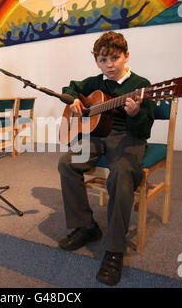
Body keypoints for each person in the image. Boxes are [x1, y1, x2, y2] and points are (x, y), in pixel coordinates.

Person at [57, 31, 154, 286]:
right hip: (95, 137)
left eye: (115, 58)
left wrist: (135, 115)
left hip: (128, 137)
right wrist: (75, 99)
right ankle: (86, 226)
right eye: (102, 60)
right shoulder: (94, 82)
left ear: (126, 56)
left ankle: (114, 249)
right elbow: (70, 87)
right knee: (66, 164)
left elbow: (145, 130)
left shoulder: (141, 84)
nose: (109, 65)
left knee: (121, 174)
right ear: (96, 61)